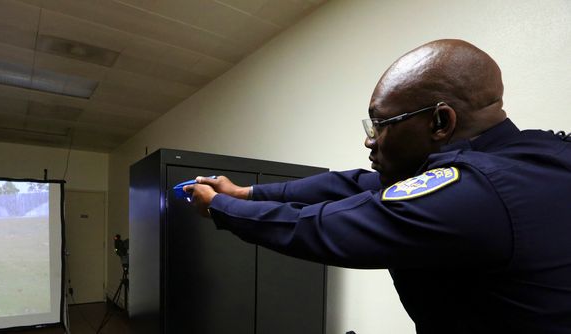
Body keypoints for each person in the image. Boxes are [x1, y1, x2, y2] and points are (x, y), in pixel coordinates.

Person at [184, 39, 571, 333]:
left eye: (381, 124)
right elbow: (354, 184)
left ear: (440, 122)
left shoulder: (477, 191)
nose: (371, 140)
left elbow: (319, 227)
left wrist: (219, 207)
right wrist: (245, 193)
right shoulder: (535, 154)